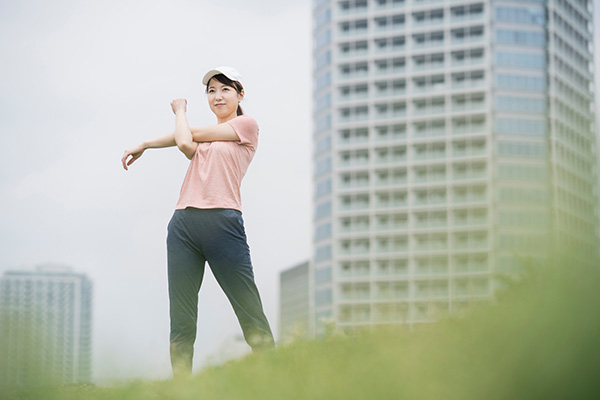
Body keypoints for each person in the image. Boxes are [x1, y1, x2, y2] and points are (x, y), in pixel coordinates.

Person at [121, 66, 275, 378]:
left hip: (223, 223)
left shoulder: (247, 125)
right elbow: (186, 140)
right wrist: (145, 144)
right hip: (183, 226)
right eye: (211, 91)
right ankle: (182, 389)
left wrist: (179, 111)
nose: (217, 96)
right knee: (181, 317)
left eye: (225, 89)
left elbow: (184, 139)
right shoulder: (203, 140)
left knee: (248, 307)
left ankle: (276, 377)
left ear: (240, 94)